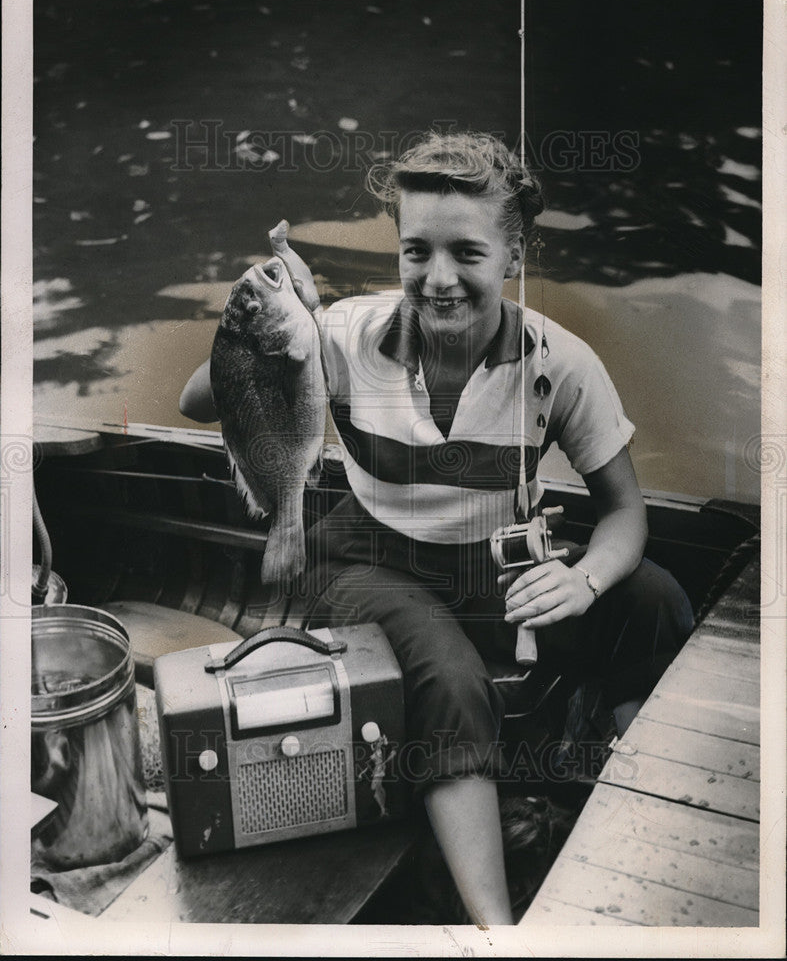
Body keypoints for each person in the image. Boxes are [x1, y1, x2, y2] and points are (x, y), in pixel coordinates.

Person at [179, 130, 693, 926]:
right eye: (416, 251)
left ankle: (649, 815)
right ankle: (497, 930)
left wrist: (582, 577)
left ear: (513, 256)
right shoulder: (341, 335)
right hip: (364, 556)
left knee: (651, 600)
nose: (439, 277)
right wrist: (281, 325)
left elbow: (625, 512)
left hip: (490, 560)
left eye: (468, 253)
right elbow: (195, 404)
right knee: (447, 678)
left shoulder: (560, 364)